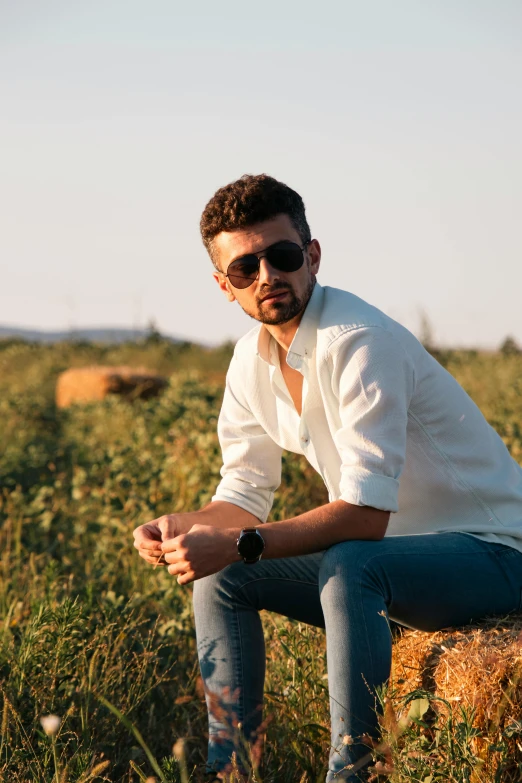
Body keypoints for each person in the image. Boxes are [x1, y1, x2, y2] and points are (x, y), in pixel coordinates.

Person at [133, 174, 522, 782]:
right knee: (224, 576)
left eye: (282, 256)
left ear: (312, 255)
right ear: (223, 285)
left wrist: (238, 541)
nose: (267, 276)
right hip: (400, 564)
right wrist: (184, 529)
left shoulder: (360, 342)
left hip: (496, 553)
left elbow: (365, 517)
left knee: (350, 564)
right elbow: (243, 493)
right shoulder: (248, 363)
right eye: (244, 269)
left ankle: (355, 771)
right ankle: (230, 769)